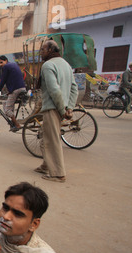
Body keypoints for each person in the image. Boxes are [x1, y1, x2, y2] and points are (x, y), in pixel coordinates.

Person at [34, 40, 78, 183]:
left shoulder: (48, 65)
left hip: (53, 108)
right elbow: (74, 89)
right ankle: (46, 165)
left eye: (43, 49)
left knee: (53, 140)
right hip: (61, 107)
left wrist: (62, 109)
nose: (41, 52)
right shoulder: (66, 65)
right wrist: (69, 107)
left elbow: (54, 90)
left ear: (51, 50)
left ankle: (59, 174)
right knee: (45, 137)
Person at [0, 56, 27, 131]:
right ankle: (13, 121)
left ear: (6, 60)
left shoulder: (6, 67)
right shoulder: (13, 65)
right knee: (6, 103)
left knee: (7, 109)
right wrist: (9, 91)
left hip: (16, 89)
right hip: (22, 88)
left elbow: (3, 81)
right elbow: (12, 79)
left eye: (1, 62)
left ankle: (16, 125)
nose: (1, 65)